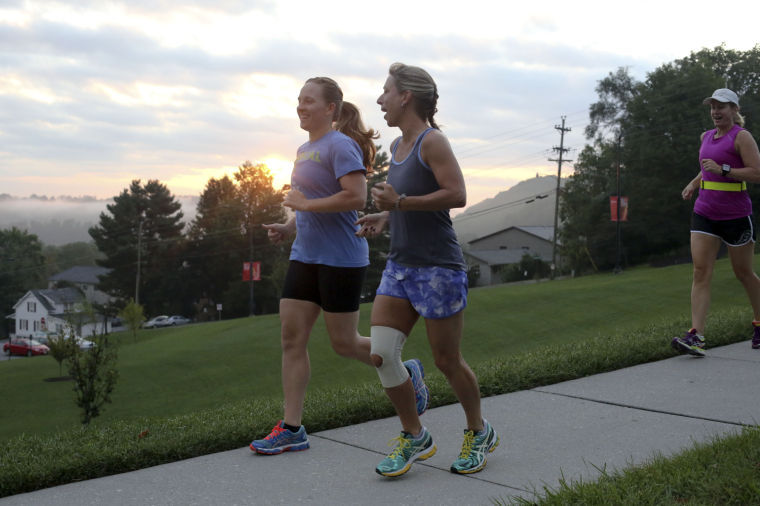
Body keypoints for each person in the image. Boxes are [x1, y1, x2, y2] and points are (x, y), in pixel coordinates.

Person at [250, 77, 429, 455]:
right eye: (299, 100)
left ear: (330, 108)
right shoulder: (303, 149)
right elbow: (308, 199)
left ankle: (406, 370)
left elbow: (356, 197)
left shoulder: (341, 146)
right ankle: (292, 427)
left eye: (309, 101)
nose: (301, 106)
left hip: (341, 260)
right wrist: (289, 224)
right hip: (304, 256)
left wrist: (304, 206)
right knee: (291, 339)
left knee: (344, 344)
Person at [356, 63, 498, 477]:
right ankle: (415, 435)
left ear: (406, 97)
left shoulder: (432, 142)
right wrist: (386, 217)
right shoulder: (397, 147)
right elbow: (408, 200)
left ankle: (478, 430)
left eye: (386, 92)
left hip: (438, 267)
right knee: (382, 354)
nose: (380, 99)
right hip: (400, 267)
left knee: (446, 360)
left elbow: (456, 194)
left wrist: (399, 204)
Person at [673, 88, 760, 356]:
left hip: (735, 216)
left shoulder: (742, 137)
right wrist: (693, 183)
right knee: (700, 272)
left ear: (734, 110)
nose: (715, 111)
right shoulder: (706, 137)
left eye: (721, 106)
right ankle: (696, 336)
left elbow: (756, 173)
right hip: (705, 213)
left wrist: (724, 170)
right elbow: (705, 168)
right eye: (712, 107)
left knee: (743, 273)